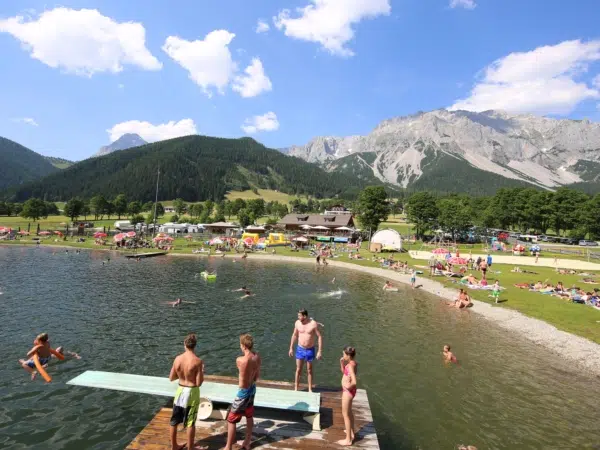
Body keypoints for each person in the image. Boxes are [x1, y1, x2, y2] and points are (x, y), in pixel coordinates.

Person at [225, 334, 261, 450]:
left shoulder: (240, 360)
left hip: (243, 393)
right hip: (252, 389)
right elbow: (256, 377)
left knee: (231, 419)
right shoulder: (257, 357)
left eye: (240, 345)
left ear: (244, 346)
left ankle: (228, 447)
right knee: (249, 415)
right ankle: (247, 442)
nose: (240, 347)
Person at [169, 333, 204, 450]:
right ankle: (190, 447)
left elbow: (171, 377)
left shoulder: (177, 359)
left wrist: (181, 374)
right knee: (190, 422)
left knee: (174, 420)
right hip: (192, 392)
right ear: (195, 346)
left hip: (180, 390)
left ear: (185, 344)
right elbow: (199, 383)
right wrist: (201, 371)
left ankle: (174, 446)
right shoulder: (197, 361)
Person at [289, 309, 323, 392]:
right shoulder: (297, 323)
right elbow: (294, 335)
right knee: (298, 369)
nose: (298, 317)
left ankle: (310, 389)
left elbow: (319, 336)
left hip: (310, 350)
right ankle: (296, 388)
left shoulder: (313, 324)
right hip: (300, 349)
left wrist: (319, 351)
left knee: (309, 370)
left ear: (305, 316)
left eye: (299, 316)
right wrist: (291, 348)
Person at [337, 346, 358, 447]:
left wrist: (348, 387)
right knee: (349, 413)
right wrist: (342, 363)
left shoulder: (350, 366)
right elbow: (345, 373)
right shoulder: (352, 363)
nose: (343, 356)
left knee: (345, 415)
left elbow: (354, 381)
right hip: (351, 392)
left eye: (344, 355)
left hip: (347, 392)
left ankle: (348, 440)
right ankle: (352, 432)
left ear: (348, 355)